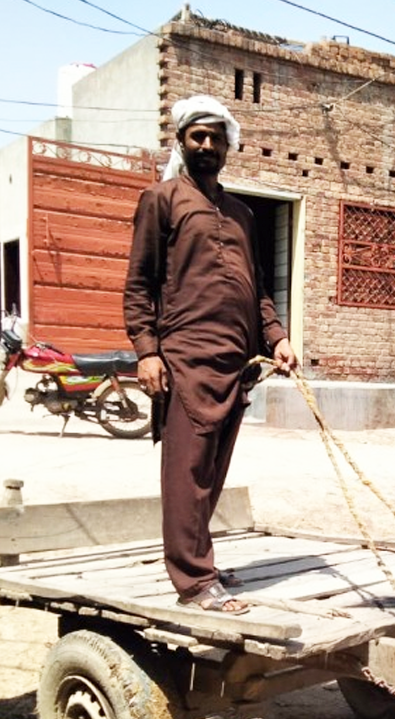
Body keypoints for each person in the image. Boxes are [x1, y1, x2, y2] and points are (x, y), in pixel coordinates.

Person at [123, 95, 297, 615]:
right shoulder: (162, 199)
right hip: (185, 356)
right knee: (188, 471)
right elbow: (138, 283)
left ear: (227, 147)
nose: (206, 145)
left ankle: (201, 563)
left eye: (215, 138)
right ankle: (194, 582)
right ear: (181, 142)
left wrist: (277, 336)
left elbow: (258, 288)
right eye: (197, 136)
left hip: (236, 362)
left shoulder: (242, 213)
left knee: (213, 471)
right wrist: (147, 351)